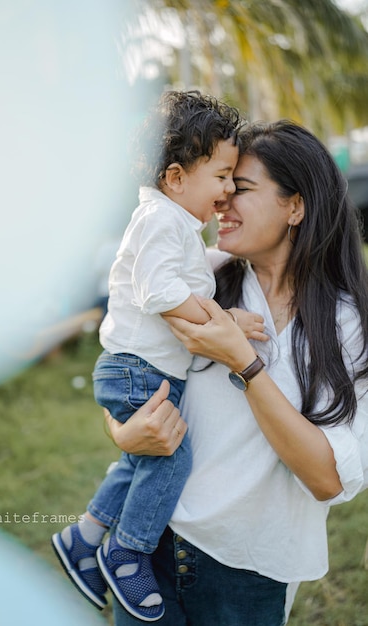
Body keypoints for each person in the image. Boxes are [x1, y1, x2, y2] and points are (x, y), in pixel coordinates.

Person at [104, 119, 368, 626]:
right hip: (149, 545)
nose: (221, 200)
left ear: (296, 206)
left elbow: (327, 478)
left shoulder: (346, 325)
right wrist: (123, 430)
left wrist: (244, 364)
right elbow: (124, 376)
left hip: (248, 569)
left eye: (240, 187)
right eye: (222, 183)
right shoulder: (198, 279)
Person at [51, 91, 266, 622]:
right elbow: (160, 292)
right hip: (136, 369)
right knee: (172, 459)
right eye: (220, 176)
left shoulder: (175, 225)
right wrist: (223, 320)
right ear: (175, 177)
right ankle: (126, 551)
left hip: (140, 368)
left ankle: (84, 539)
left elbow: (182, 273)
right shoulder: (159, 222)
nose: (226, 190)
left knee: (140, 459)